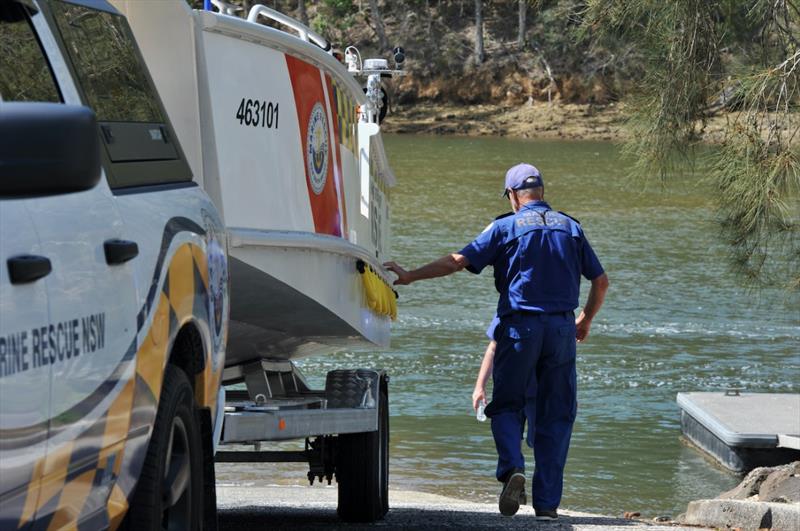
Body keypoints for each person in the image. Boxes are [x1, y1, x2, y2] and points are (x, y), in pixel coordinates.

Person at [384, 162, 609, 520]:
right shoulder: (572, 228)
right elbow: (600, 282)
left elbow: (457, 261)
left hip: (520, 328)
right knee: (556, 415)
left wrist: (411, 275)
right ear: (542, 193)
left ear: (513, 196)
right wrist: (586, 319)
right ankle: (547, 506)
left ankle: (512, 468)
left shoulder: (505, 227)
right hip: (562, 331)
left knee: (506, 405)